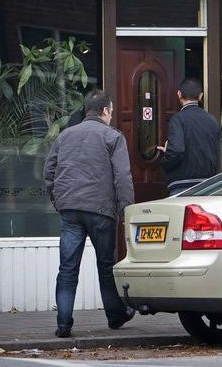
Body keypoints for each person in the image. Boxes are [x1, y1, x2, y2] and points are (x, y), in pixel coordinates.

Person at [44, 89, 135, 337]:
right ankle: (115, 316)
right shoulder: (112, 137)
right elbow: (122, 177)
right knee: (105, 265)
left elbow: (49, 171)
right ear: (105, 111)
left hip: (70, 210)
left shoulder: (65, 136)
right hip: (101, 210)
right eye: (112, 111)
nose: (112, 116)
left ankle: (63, 323)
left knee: (67, 268)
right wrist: (127, 210)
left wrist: (58, 199)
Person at [157, 78, 221, 195]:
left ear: (179, 94)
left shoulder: (178, 119)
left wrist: (165, 158)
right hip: (208, 186)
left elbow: (176, 151)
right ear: (201, 96)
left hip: (182, 186)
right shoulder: (212, 120)